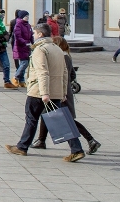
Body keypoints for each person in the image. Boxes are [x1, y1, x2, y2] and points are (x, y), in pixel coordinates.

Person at [6, 23, 85, 162]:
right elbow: (65, 72)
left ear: (40, 34)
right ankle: (77, 149)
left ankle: (22, 147)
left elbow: (42, 72)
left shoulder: (40, 50)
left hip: (38, 91)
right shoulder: (57, 49)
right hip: (55, 91)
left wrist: (44, 93)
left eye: (35, 33)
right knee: (60, 120)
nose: (33, 35)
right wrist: (62, 91)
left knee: (31, 118)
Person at [31, 36, 101, 154]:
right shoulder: (66, 56)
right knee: (47, 114)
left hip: (60, 92)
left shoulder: (61, 57)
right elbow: (72, 75)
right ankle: (41, 140)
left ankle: (90, 140)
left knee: (66, 120)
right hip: (62, 91)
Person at [12, 11, 33, 87]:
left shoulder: (28, 25)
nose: (27, 17)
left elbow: (31, 36)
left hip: (27, 47)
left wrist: (33, 43)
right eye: (26, 16)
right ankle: (15, 77)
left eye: (28, 16)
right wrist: (25, 42)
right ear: (21, 17)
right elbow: (18, 36)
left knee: (24, 64)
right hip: (20, 47)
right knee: (24, 63)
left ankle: (22, 81)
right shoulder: (18, 25)